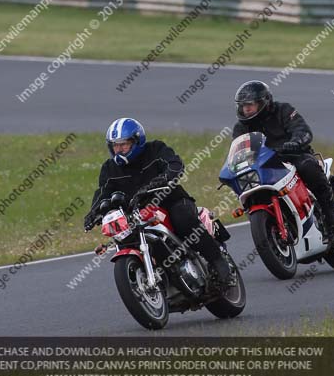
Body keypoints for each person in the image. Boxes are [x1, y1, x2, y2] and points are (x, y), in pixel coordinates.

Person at [84, 118, 234, 286]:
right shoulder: (109, 168)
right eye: (115, 146)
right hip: (137, 213)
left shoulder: (155, 149)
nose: (118, 150)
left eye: (123, 144)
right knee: (125, 237)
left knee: (183, 219)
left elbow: (175, 164)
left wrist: (161, 180)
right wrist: (93, 212)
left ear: (137, 141)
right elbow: (103, 192)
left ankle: (218, 262)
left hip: (169, 201)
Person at [232, 82, 334, 237]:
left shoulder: (283, 110)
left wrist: (296, 142)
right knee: (246, 185)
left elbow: (302, 130)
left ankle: (330, 210)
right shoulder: (240, 128)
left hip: (293, 157)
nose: (246, 109)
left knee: (307, 166)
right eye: (243, 105)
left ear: (263, 102)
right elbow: (240, 152)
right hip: (266, 166)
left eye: (250, 105)